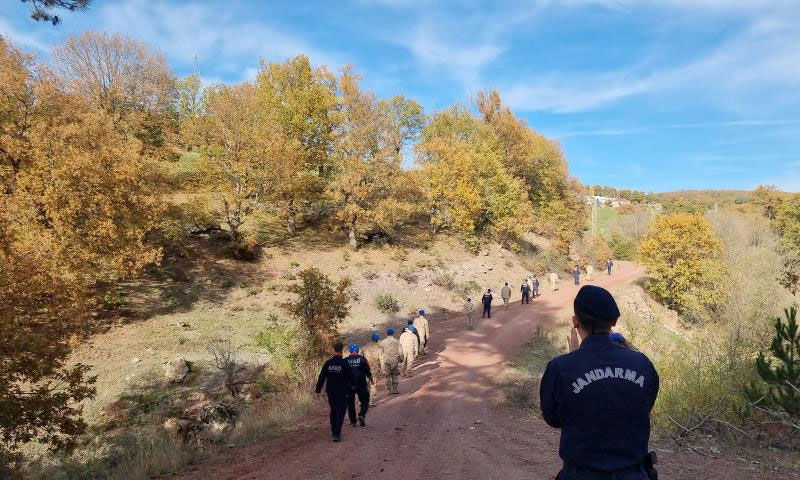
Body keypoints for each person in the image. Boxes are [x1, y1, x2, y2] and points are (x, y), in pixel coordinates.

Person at [540, 285, 659, 479]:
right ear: (614, 321)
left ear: (575, 322)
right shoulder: (643, 364)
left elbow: (553, 419)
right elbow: (644, 406)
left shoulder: (560, 368)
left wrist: (576, 361)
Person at [315, 342, 355, 442]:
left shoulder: (328, 363)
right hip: (342, 391)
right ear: (342, 351)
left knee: (333, 410)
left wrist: (318, 390)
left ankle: (334, 432)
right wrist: (354, 386)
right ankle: (337, 433)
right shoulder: (345, 363)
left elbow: (322, 376)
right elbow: (351, 376)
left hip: (331, 391)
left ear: (334, 350)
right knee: (341, 411)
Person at [345, 343, 373, 428]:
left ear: (350, 351)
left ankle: (353, 422)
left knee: (350, 403)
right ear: (358, 351)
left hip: (349, 385)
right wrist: (371, 380)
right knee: (365, 401)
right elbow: (368, 371)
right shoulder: (362, 359)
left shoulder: (345, 360)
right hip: (361, 384)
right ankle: (362, 414)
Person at [379, 328, 402, 394]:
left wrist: (381, 362)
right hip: (394, 360)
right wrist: (401, 359)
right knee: (395, 375)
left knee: (387, 376)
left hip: (386, 361)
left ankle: (389, 390)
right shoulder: (397, 341)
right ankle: (395, 389)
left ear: (387, 334)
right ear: (393, 333)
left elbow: (380, 353)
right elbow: (400, 352)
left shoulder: (382, 342)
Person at [362, 333, 382, 405]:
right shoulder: (379, 348)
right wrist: (383, 369)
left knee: (365, 385)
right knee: (373, 384)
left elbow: (362, 357)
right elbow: (381, 359)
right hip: (374, 368)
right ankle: (370, 401)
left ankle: (364, 400)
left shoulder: (365, 347)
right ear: (377, 340)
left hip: (365, 368)